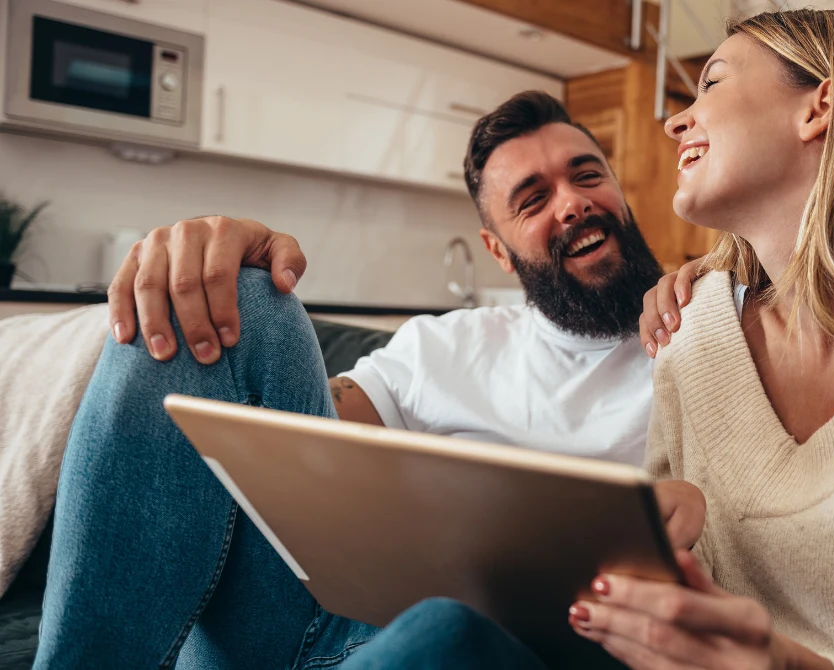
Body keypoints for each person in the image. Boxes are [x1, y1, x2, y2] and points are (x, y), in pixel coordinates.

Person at [382, 9, 834, 669]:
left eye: (713, 83)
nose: (674, 122)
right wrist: (676, 527)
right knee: (441, 631)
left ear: (819, 107)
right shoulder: (694, 330)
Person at [33, 91, 699, 669]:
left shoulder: (705, 325)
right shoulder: (446, 345)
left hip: (498, 646)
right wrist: (219, 257)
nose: (573, 203)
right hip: (316, 622)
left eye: (587, 176)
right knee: (239, 295)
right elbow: (294, 428)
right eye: (534, 199)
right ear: (496, 250)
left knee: (450, 629)